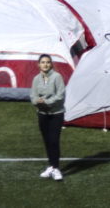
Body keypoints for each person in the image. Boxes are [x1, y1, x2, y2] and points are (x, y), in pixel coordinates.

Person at [30, 54, 65, 182]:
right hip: (42, 115)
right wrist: (36, 102)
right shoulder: (35, 79)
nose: (45, 64)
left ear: (51, 64)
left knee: (54, 140)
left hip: (56, 114)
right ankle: (51, 165)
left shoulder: (57, 77)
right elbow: (33, 96)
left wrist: (45, 101)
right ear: (38, 64)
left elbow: (60, 95)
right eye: (43, 62)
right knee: (47, 141)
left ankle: (56, 168)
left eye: (48, 62)